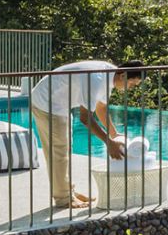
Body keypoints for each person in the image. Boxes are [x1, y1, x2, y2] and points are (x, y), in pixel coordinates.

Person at [28, 59, 144, 210]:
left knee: (64, 150)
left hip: (58, 103)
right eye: (132, 84)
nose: (131, 88)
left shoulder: (108, 75)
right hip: (47, 102)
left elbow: (101, 108)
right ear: (123, 76)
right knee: (59, 152)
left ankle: (68, 191)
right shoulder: (97, 79)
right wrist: (109, 143)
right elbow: (85, 118)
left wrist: (114, 134)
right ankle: (64, 198)